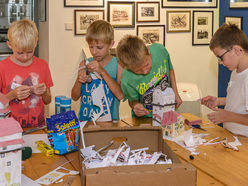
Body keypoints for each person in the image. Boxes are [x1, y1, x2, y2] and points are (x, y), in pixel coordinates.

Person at [0, 19, 53, 128]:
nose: (25, 57)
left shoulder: (43, 65)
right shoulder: (2, 67)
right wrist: (12, 95)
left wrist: (44, 92)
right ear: (9, 45)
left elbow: (48, 100)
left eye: (29, 52)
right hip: (9, 128)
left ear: (36, 42)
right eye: (19, 53)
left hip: (38, 126)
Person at [116, 35, 182, 118]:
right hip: (145, 119)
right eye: (137, 71)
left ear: (148, 51)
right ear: (127, 67)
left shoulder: (160, 50)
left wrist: (175, 92)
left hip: (169, 112)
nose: (144, 71)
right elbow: (132, 101)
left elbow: (170, 69)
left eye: (146, 65)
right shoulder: (127, 80)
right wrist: (135, 106)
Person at [201, 23, 248, 137]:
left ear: (237, 50)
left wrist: (227, 116)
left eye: (220, 58)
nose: (220, 62)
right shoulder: (235, 72)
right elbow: (240, 100)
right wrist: (219, 101)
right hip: (232, 136)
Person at [71, 20, 123, 122]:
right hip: (85, 121)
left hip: (110, 123)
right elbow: (74, 97)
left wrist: (102, 72)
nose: (94, 52)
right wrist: (79, 80)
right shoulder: (84, 64)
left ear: (111, 44)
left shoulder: (118, 64)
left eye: (99, 47)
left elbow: (120, 95)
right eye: (91, 47)